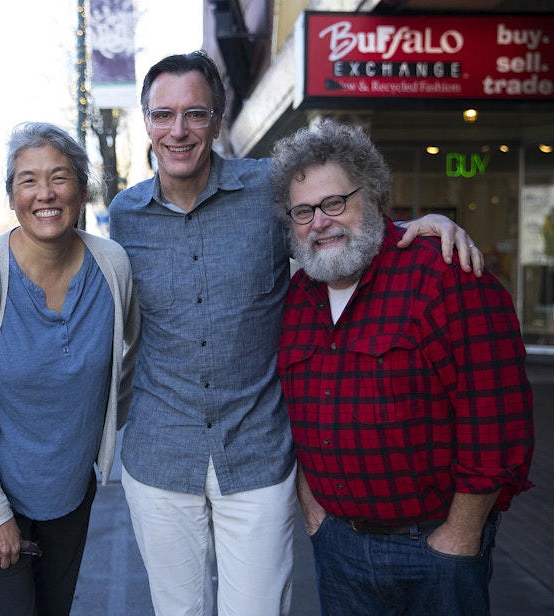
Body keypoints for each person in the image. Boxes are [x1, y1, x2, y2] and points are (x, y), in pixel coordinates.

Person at [107, 50, 484, 616]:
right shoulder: (125, 214)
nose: (178, 130)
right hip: (160, 454)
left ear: (218, 119)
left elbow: (331, 229)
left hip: (256, 451)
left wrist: (416, 227)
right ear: (146, 121)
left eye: (195, 113)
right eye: (163, 115)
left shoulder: (266, 190)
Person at [271, 118, 534, 616]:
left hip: (435, 549)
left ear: (373, 196)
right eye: (303, 211)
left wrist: (460, 535)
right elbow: (293, 412)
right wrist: (313, 512)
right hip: (338, 547)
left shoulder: (444, 274)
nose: (319, 222)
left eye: (335, 202)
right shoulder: (298, 297)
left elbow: (496, 422)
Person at [0, 122, 140, 616]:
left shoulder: (112, 266)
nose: (44, 193)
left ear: (82, 188)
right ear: (11, 196)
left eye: (60, 177)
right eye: (28, 180)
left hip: (70, 492)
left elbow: (126, 360)